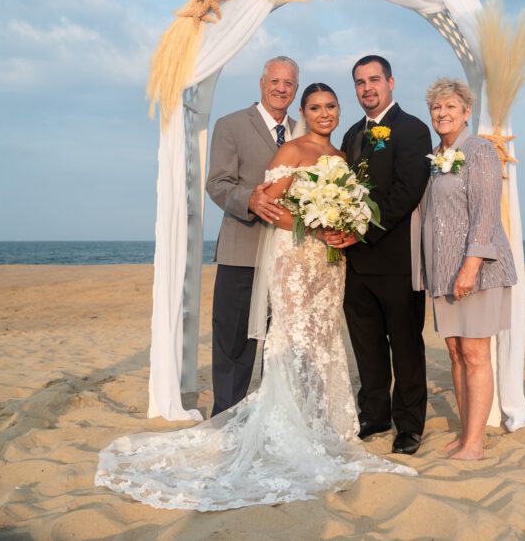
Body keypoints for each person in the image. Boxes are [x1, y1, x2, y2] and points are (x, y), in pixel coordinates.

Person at [96, 84, 415, 511]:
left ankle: (323, 424)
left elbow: (351, 209)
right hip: (297, 259)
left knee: (323, 341)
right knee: (293, 337)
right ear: (303, 111)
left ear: (339, 111)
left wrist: (346, 227)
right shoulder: (292, 152)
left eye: (331, 106)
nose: (325, 113)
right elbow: (268, 203)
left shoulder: (341, 157)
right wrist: (316, 227)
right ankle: (289, 426)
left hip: (329, 265)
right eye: (316, 107)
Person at [414, 77, 517, 460]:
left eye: (450, 108)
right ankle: (464, 433)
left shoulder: (479, 152)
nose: (442, 114)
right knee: (457, 353)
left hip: (477, 272)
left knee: (475, 354)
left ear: (466, 112)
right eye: (437, 108)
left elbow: (487, 215)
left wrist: (470, 267)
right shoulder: (436, 158)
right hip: (444, 272)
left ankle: (475, 443)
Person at [333, 55, 432, 455]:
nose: (367, 88)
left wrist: (360, 232)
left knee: (406, 345)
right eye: (359, 82)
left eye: (374, 80)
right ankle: (374, 414)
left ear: (391, 81)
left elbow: (407, 192)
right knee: (367, 344)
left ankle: (409, 424)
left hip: (397, 260)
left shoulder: (413, 130)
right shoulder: (352, 133)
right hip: (355, 264)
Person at [204, 56, 298, 417]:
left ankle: (274, 417)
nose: (280, 88)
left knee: (280, 343)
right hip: (242, 250)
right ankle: (226, 416)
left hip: (289, 255)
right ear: (261, 83)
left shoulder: (302, 129)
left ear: (295, 89)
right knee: (234, 342)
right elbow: (218, 184)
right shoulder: (230, 126)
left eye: (288, 83)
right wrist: (251, 200)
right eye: (275, 81)